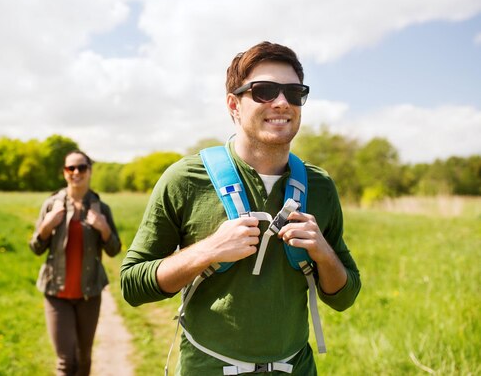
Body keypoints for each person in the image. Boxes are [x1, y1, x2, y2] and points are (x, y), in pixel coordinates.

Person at [120, 41, 361, 375]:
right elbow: (132, 284)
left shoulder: (320, 187)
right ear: (233, 105)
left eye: (294, 92)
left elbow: (344, 296)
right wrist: (208, 250)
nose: (281, 102)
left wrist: (323, 252)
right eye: (263, 91)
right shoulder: (185, 179)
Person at [29, 150, 121, 376]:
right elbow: (36, 248)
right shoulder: (51, 205)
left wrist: (103, 228)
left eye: (81, 167)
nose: (76, 172)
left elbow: (114, 249)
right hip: (56, 293)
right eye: (71, 168)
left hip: (89, 294)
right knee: (65, 361)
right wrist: (46, 226)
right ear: (64, 172)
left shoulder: (100, 208)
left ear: (89, 171)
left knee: (83, 359)